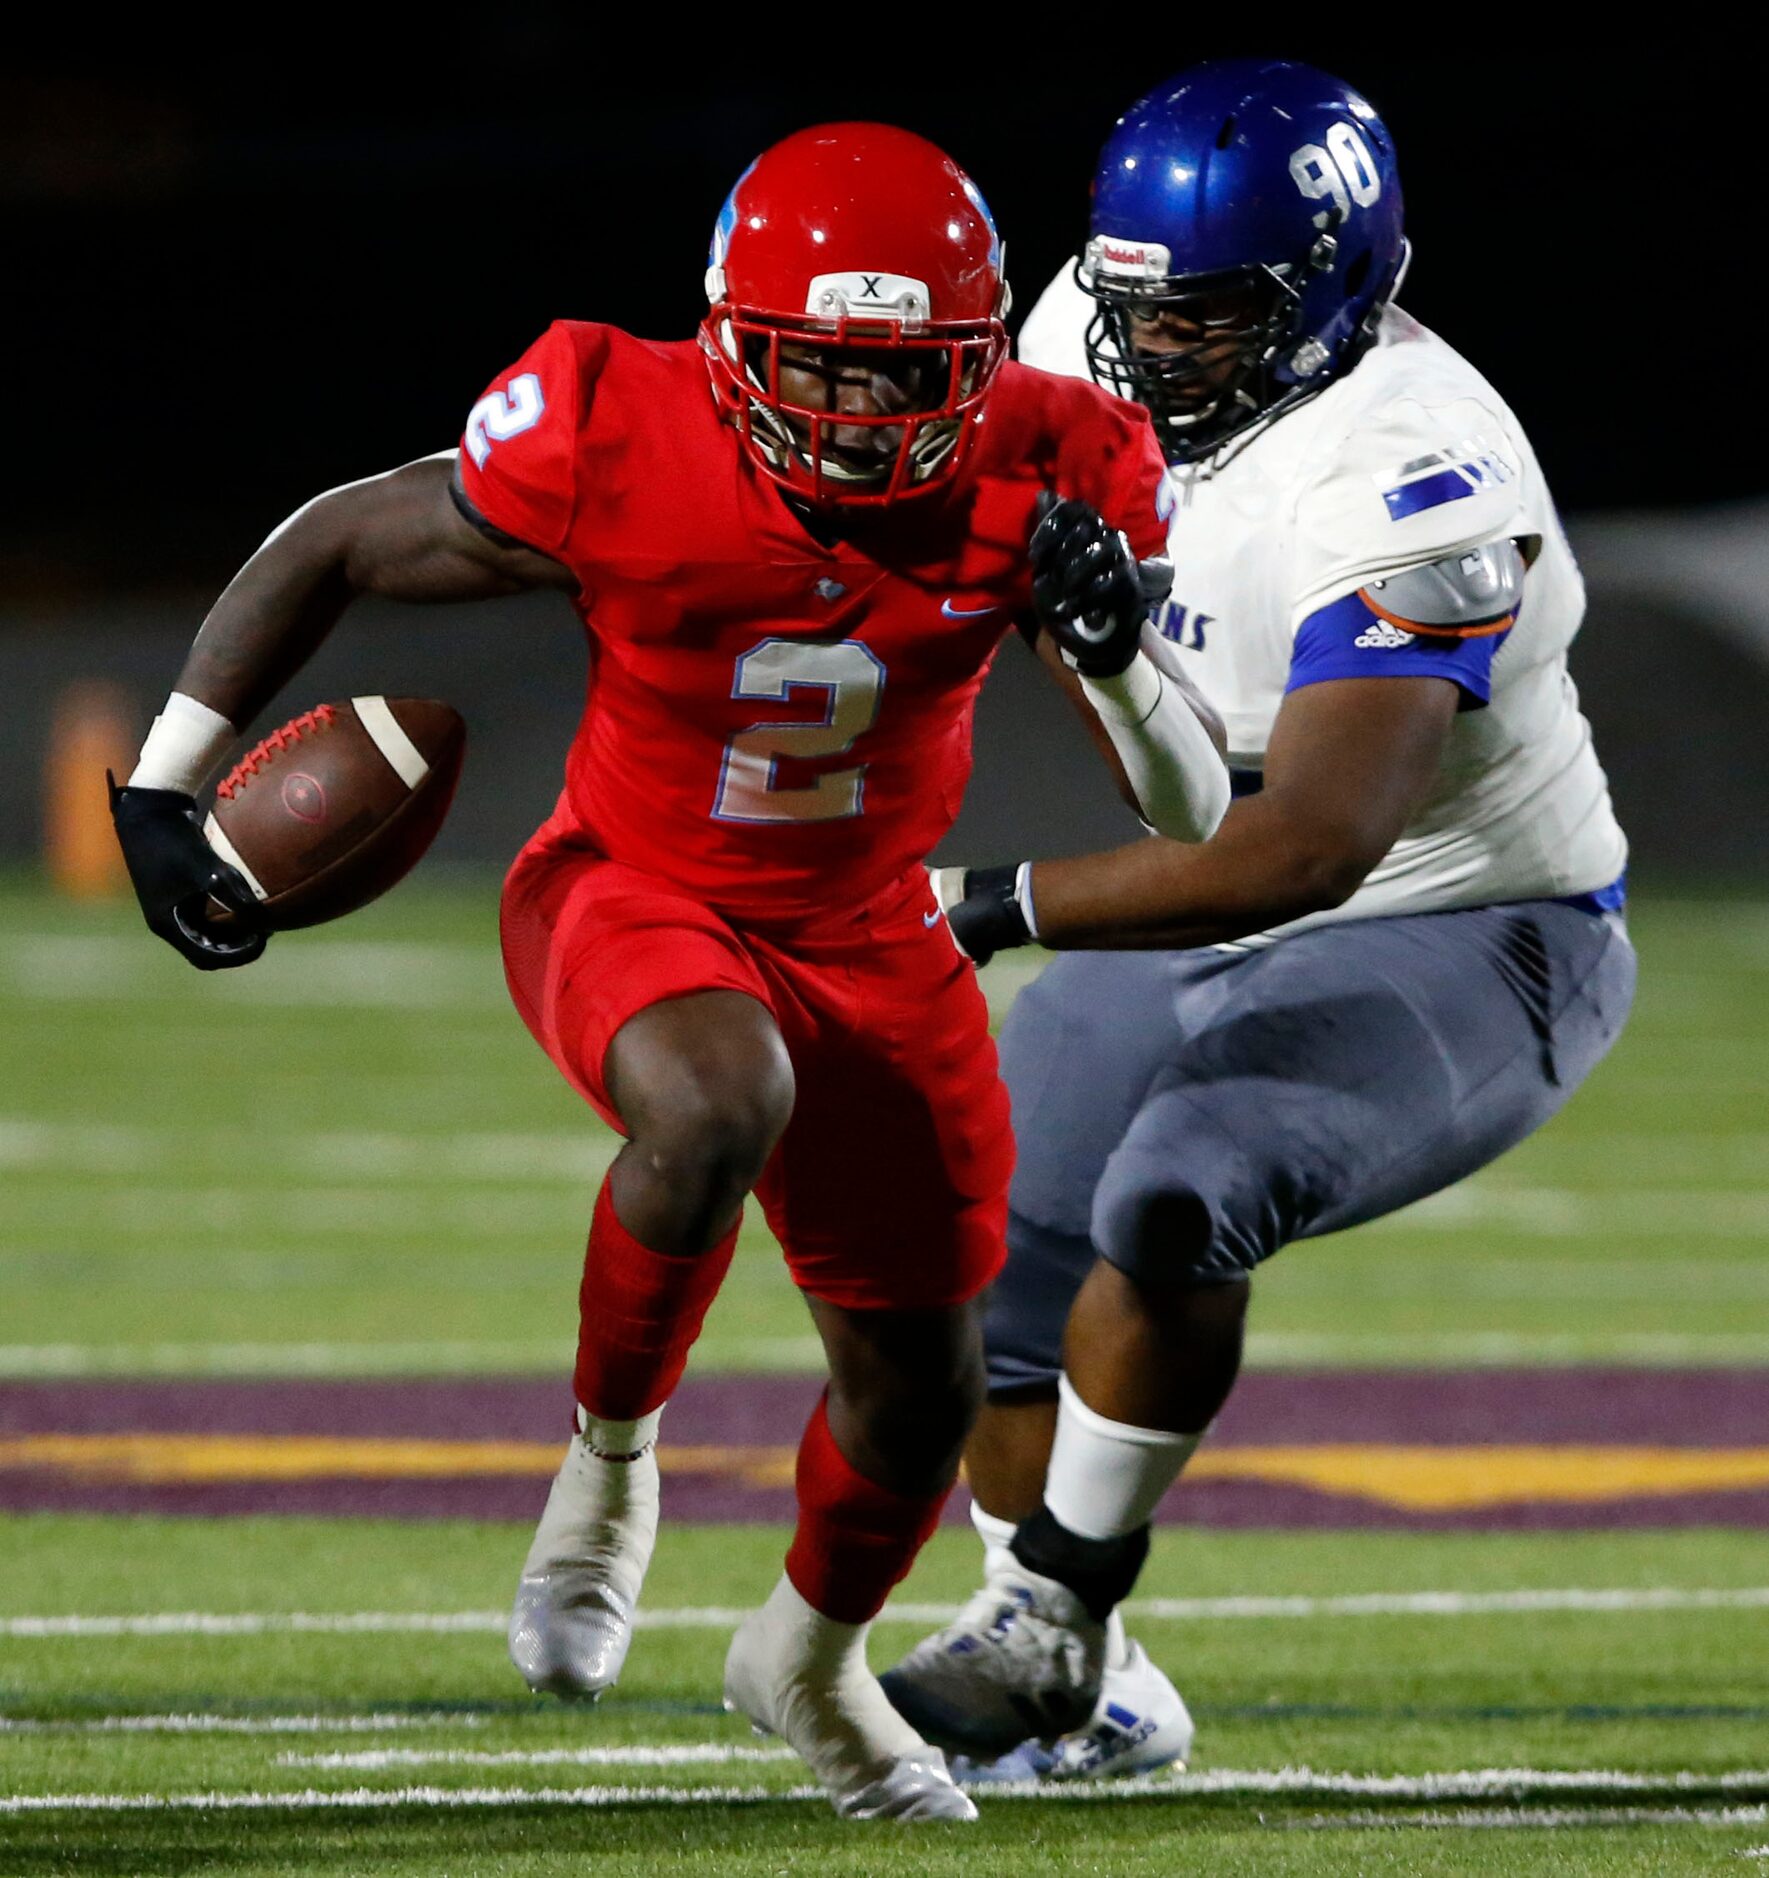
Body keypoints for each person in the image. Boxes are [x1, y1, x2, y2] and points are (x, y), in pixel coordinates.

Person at [107, 122, 1229, 1819]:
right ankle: (608, 1466)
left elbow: (1192, 806)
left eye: (900, 377)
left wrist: (1113, 645)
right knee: (718, 1096)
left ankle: (804, 1656)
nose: (860, 417)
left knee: (919, 1392)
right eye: (820, 373)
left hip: (877, 935)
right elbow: (344, 534)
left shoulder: (1054, 461)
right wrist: (161, 779)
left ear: (978, 362)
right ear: (728, 346)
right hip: (629, 886)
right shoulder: (615, 425)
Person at [882, 59, 1635, 1782]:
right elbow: (1160, 775)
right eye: (1144, 307)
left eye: (1212, 322)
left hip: (1472, 923)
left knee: (1178, 1190)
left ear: (1334, 293)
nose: (1153, 353)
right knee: (976, 1257)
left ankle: (1055, 1618)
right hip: (1212, 879)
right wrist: (1086, 645)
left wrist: (971, 905)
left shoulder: (1417, 481)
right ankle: (1094, 1687)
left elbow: (1299, 847)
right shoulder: (1090, 316)